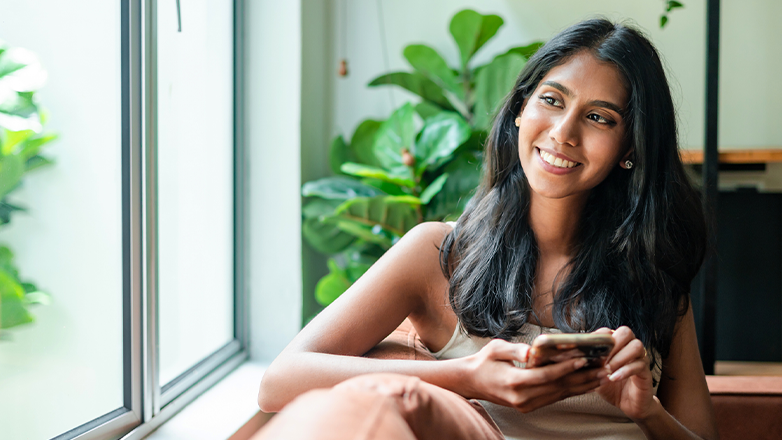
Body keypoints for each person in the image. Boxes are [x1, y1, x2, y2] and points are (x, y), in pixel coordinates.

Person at [256, 18, 718, 440]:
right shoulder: (438, 251)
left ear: (630, 147)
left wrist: (646, 411)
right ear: (520, 110)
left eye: (599, 117)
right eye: (552, 100)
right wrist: (470, 376)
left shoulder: (653, 270)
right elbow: (280, 380)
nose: (563, 132)